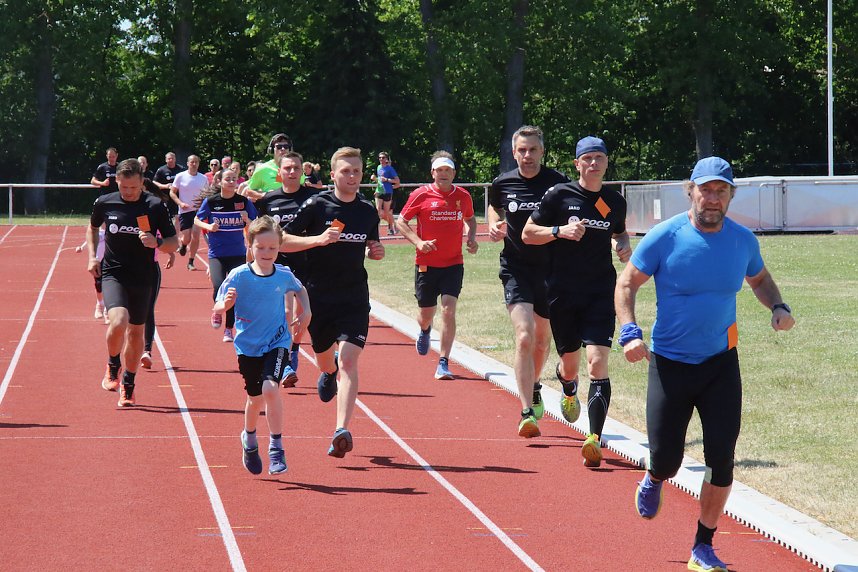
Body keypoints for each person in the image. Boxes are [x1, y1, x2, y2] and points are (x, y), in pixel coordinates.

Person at [615, 156, 795, 572]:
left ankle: (703, 545)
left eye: (721, 191)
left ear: (731, 195)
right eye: (705, 189)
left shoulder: (742, 241)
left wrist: (778, 306)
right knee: (668, 458)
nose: (712, 198)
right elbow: (627, 283)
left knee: (721, 458)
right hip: (670, 364)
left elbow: (760, 279)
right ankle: (654, 476)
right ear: (690, 190)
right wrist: (629, 331)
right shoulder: (665, 236)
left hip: (720, 364)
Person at [522, 136, 631, 467]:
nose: (594, 163)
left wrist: (623, 245)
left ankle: (594, 438)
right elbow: (528, 233)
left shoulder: (614, 201)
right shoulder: (560, 195)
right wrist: (559, 231)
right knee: (570, 363)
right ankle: (567, 383)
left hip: (601, 292)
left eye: (600, 157)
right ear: (577, 164)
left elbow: (619, 232)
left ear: (607, 162)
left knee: (597, 362)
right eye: (588, 158)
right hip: (562, 292)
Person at [282, 146, 384, 458]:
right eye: (345, 171)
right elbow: (283, 240)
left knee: (350, 361)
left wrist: (375, 251)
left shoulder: (367, 211)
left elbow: (372, 242)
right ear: (333, 174)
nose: (352, 176)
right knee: (327, 360)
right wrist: (317, 239)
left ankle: (341, 428)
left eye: (356, 171)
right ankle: (327, 372)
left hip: (354, 296)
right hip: (319, 296)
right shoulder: (317, 205)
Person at [487, 125, 570, 438]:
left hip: (551, 269)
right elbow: (494, 210)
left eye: (533, 150)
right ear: (514, 152)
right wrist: (495, 225)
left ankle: (535, 384)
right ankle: (525, 412)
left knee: (541, 340)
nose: (527, 156)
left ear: (542, 151)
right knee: (524, 335)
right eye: (522, 150)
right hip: (516, 267)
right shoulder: (503, 183)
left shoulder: (559, 183)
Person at [213, 216, 311, 475]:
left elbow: (300, 290)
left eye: (272, 248)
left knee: (271, 388)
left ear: (279, 247)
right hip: (247, 345)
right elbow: (218, 304)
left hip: (277, 341)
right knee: (255, 398)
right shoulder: (239, 275)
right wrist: (225, 306)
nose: (267, 253)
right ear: (250, 246)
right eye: (261, 247)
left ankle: (276, 447)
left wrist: (307, 311)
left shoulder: (284, 274)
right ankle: (249, 437)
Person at [87, 158, 178, 406]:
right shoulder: (105, 202)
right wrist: (92, 257)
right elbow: (93, 227)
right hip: (114, 272)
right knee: (117, 321)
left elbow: (174, 243)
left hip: (143, 275)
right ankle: (112, 363)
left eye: (134, 188)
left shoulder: (155, 206)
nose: (129, 193)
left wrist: (157, 243)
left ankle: (128, 384)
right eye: (124, 187)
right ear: (117, 181)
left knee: (136, 330)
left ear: (142, 183)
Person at [395, 151, 478, 380]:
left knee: (449, 310)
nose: (443, 174)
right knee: (426, 313)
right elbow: (401, 221)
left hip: (453, 263)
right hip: (426, 265)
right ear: (432, 173)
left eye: (447, 170)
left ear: (454, 173)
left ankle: (443, 362)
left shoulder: (462, 196)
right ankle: (424, 329)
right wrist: (419, 243)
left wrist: (471, 237)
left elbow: (470, 218)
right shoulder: (421, 195)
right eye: (439, 170)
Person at [255, 151, 320, 376]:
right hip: (277, 266)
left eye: (296, 168)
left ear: (302, 172)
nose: (292, 172)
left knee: (301, 315)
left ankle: (293, 349)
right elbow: (257, 233)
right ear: (279, 173)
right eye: (287, 168)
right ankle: (283, 360)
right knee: (283, 312)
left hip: (307, 264)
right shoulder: (268, 200)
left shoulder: (313, 199)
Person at [195, 169, 259, 343]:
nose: (231, 182)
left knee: (232, 291)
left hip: (237, 254)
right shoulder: (211, 202)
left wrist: (248, 221)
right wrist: (209, 227)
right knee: (218, 285)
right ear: (220, 182)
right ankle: (217, 310)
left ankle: (229, 329)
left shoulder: (243, 202)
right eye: (228, 179)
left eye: (234, 179)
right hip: (217, 254)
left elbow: (257, 224)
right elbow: (197, 219)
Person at [169, 154, 208, 270]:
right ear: (187, 163)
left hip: (198, 211)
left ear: (199, 164)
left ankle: (191, 261)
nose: (194, 164)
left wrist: (204, 204)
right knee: (187, 237)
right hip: (185, 211)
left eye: (196, 162)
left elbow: (207, 194)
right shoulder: (180, 176)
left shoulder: (203, 178)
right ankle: (184, 244)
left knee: (196, 235)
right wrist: (180, 203)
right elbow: (172, 192)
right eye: (192, 162)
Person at [244, 133, 295, 199]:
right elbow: (249, 191)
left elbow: (302, 187)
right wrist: (266, 195)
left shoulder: (297, 168)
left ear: (289, 149)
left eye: (286, 146)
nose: (282, 149)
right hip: (271, 207)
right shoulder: (262, 169)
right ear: (272, 149)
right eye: (278, 147)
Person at [370, 152, 400, 235]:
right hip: (379, 191)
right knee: (378, 210)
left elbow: (397, 181)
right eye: (380, 157)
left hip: (387, 192)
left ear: (386, 159)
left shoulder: (390, 169)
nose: (381, 159)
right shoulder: (378, 167)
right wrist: (375, 179)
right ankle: (377, 228)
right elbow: (380, 181)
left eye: (383, 157)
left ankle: (394, 225)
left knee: (386, 213)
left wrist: (387, 180)